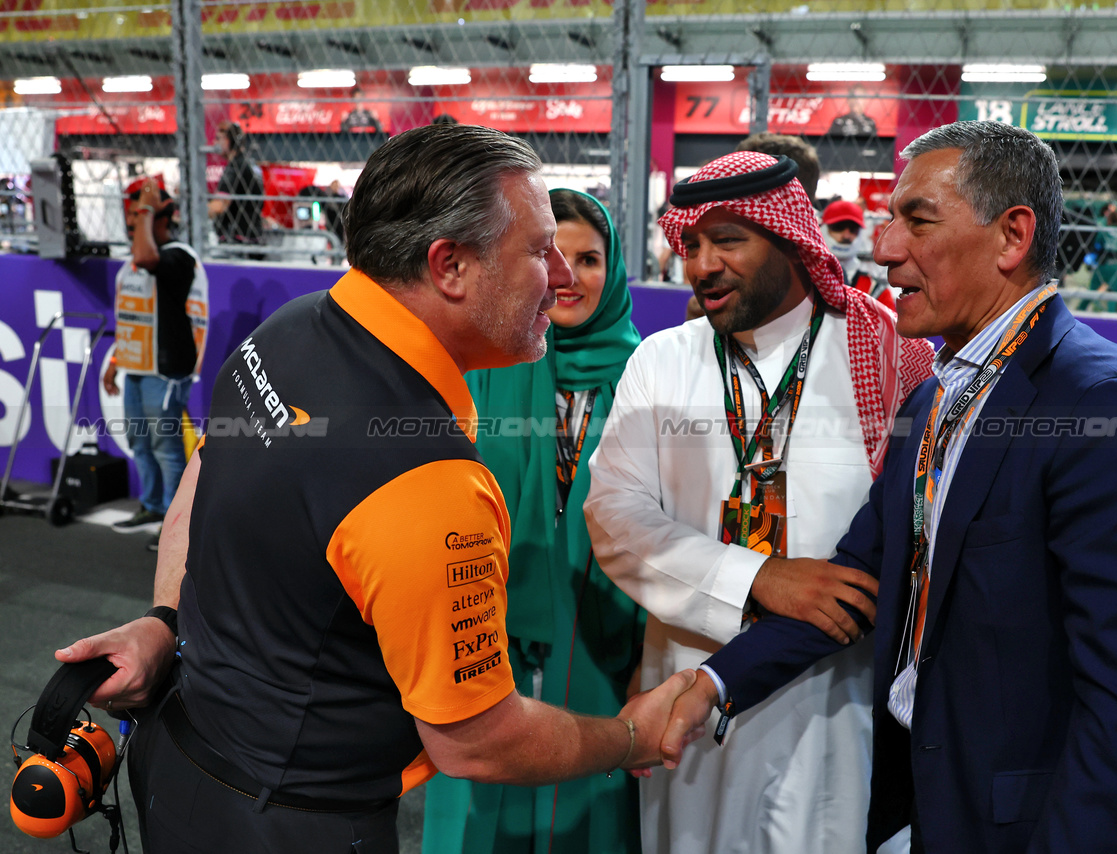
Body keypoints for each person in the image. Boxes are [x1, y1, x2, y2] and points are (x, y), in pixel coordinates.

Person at [54, 125, 696, 854]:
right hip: (296, 825)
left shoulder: (285, 334)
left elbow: (197, 500)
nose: (559, 274)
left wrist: (166, 618)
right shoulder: (432, 483)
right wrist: (632, 736)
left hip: (180, 766)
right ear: (449, 266)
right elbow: (477, 742)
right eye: (538, 248)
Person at [664, 121, 1117, 854]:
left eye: (917, 219)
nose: (885, 246)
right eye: (891, 220)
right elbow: (856, 578)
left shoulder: (1110, 408)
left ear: (1012, 237)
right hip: (924, 806)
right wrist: (713, 684)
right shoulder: (933, 396)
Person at [584, 150, 934, 854]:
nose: (701, 265)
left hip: (832, 699)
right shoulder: (662, 360)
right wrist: (757, 579)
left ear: (790, 240)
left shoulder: (889, 352)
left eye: (728, 241)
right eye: (690, 245)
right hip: (688, 686)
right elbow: (616, 518)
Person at [422, 189, 646, 854]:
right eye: (550, 253)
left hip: (606, 637)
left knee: (590, 807)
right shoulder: (488, 362)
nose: (568, 274)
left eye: (590, 258)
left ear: (616, 272)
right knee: (479, 810)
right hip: (484, 630)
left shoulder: (647, 377)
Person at [104, 177, 207, 550]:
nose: (132, 225)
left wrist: (147, 207)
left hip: (165, 371)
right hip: (137, 367)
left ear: (160, 216)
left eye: (138, 218)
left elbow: (149, 257)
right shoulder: (138, 261)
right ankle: (151, 506)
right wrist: (116, 359)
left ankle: (174, 526)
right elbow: (132, 316)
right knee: (140, 442)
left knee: (166, 447)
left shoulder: (179, 257)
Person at [209, 121, 264, 252]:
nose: (213, 143)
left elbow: (219, 206)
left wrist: (189, 214)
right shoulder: (249, 163)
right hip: (251, 237)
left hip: (237, 241)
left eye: (218, 138)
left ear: (230, 141)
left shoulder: (235, 167)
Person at [1086, 202, 1117, 311]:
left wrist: (1092, 259)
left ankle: (1081, 309)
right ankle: (1111, 314)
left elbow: (1097, 244)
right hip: (1116, 264)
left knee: (1093, 288)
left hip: (1104, 263)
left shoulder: (1105, 230)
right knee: (1113, 291)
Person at [822, 198, 867, 283]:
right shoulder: (804, 279)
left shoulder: (874, 288)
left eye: (853, 229)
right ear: (823, 228)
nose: (846, 236)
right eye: (839, 227)